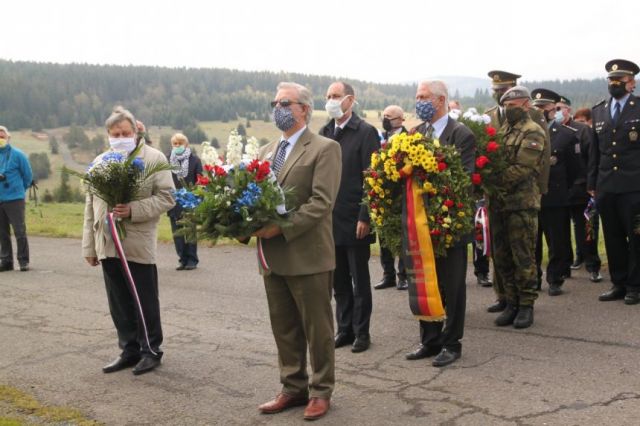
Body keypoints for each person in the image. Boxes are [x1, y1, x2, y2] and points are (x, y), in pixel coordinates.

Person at [253, 82, 341, 421]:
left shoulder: (324, 148)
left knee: (317, 329)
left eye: (285, 102)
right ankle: (292, 387)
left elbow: (322, 202)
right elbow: (255, 201)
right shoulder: (265, 151)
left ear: (304, 108)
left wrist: (282, 227)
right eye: (275, 102)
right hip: (271, 255)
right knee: (284, 326)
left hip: (307, 255)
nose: (278, 107)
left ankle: (321, 392)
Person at [82, 106, 175, 375]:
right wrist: (90, 247)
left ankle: (151, 350)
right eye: (115, 133)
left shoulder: (154, 158)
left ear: (135, 131)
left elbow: (168, 197)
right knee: (119, 302)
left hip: (136, 244)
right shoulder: (100, 162)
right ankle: (129, 349)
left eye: (125, 132)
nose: (120, 137)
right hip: (107, 244)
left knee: (143, 299)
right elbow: (90, 207)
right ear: (108, 135)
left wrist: (134, 209)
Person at [404, 80, 475, 366]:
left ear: (441, 100)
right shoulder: (416, 133)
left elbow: (464, 178)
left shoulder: (461, 134)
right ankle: (429, 339)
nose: (418, 100)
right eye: (417, 96)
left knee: (452, 284)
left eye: (424, 97)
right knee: (425, 280)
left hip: (449, 222)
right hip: (418, 223)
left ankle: (451, 342)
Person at [319, 82, 379, 353]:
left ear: (350, 100)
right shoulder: (325, 132)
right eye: (328, 96)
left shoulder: (365, 132)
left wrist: (365, 216)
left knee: (359, 280)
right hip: (330, 220)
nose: (330, 100)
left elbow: (372, 178)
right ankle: (344, 329)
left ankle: (362, 332)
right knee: (339, 280)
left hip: (355, 218)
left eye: (335, 96)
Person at [484, 71, 550, 313]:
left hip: (521, 203)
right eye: (505, 105)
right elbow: (490, 158)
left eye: (512, 105)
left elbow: (523, 167)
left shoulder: (532, 130)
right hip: (499, 203)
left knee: (523, 257)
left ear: (525, 105)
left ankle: (526, 305)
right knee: (502, 257)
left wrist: (491, 180)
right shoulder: (504, 131)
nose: (508, 108)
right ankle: (510, 302)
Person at [588, 59, 640, 305]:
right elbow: (595, 153)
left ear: (632, 83)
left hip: (634, 185)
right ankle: (618, 283)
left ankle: (635, 285)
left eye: (620, 79)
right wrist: (593, 182)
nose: (614, 83)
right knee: (613, 236)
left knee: (636, 235)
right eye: (611, 79)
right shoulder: (598, 110)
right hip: (606, 184)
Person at [531, 89, 580, 296]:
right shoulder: (529, 132)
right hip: (531, 197)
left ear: (553, 109)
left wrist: (567, 195)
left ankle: (555, 278)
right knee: (532, 242)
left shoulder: (567, 135)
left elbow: (575, 170)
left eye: (545, 107)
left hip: (556, 196)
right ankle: (533, 279)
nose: (541, 111)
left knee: (557, 241)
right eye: (538, 107)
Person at [556, 96, 602, 282]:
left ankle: (592, 265)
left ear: (569, 110)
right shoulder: (552, 131)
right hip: (558, 188)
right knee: (560, 231)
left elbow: (592, 159)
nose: (558, 112)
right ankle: (564, 266)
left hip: (580, 187)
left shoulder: (582, 130)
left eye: (561, 108)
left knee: (585, 228)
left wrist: (591, 184)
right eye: (555, 108)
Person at [375, 105, 409, 291]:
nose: (386, 119)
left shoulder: (408, 137)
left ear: (400, 119)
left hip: (401, 194)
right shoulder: (380, 137)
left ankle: (403, 275)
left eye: (390, 116)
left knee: (402, 236)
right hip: (382, 194)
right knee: (384, 236)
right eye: (384, 115)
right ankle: (388, 275)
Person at [167, 133, 202, 270]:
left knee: (190, 231)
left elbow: (200, 180)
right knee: (177, 233)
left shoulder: (195, 160)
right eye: (175, 144)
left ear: (186, 145)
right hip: (173, 202)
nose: (177, 146)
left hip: (190, 201)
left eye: (180, 143)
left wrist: (196, 195)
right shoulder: (167, 160)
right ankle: (182, 259)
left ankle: (192, 260)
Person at [0, 125, 33, 272]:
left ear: (8, 138)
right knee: (2, 233)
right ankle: (6, 261)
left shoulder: (18, 155)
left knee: (19, 231)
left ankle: (23, 261)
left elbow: (28, 176)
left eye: (2, 136)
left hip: (15, 199)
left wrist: (19, 190)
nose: (0, 139)